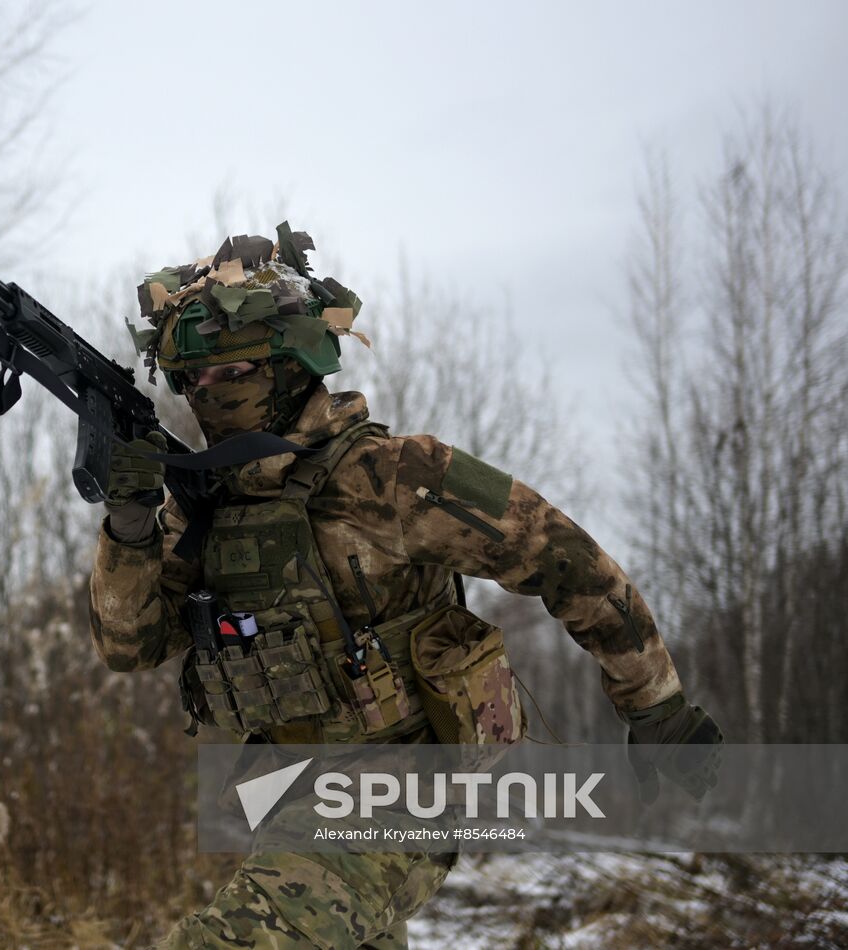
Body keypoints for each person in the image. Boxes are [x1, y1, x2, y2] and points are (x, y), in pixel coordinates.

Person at [88, 224, 723, 949]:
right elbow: (129, 644)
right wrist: (129, 527)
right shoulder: (204, 507)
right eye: (191, 380)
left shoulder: (395, 478)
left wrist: (656, 706)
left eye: (232, 374)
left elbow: (566, 559)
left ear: (292, 365)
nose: (207, 395)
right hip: (289, 798)